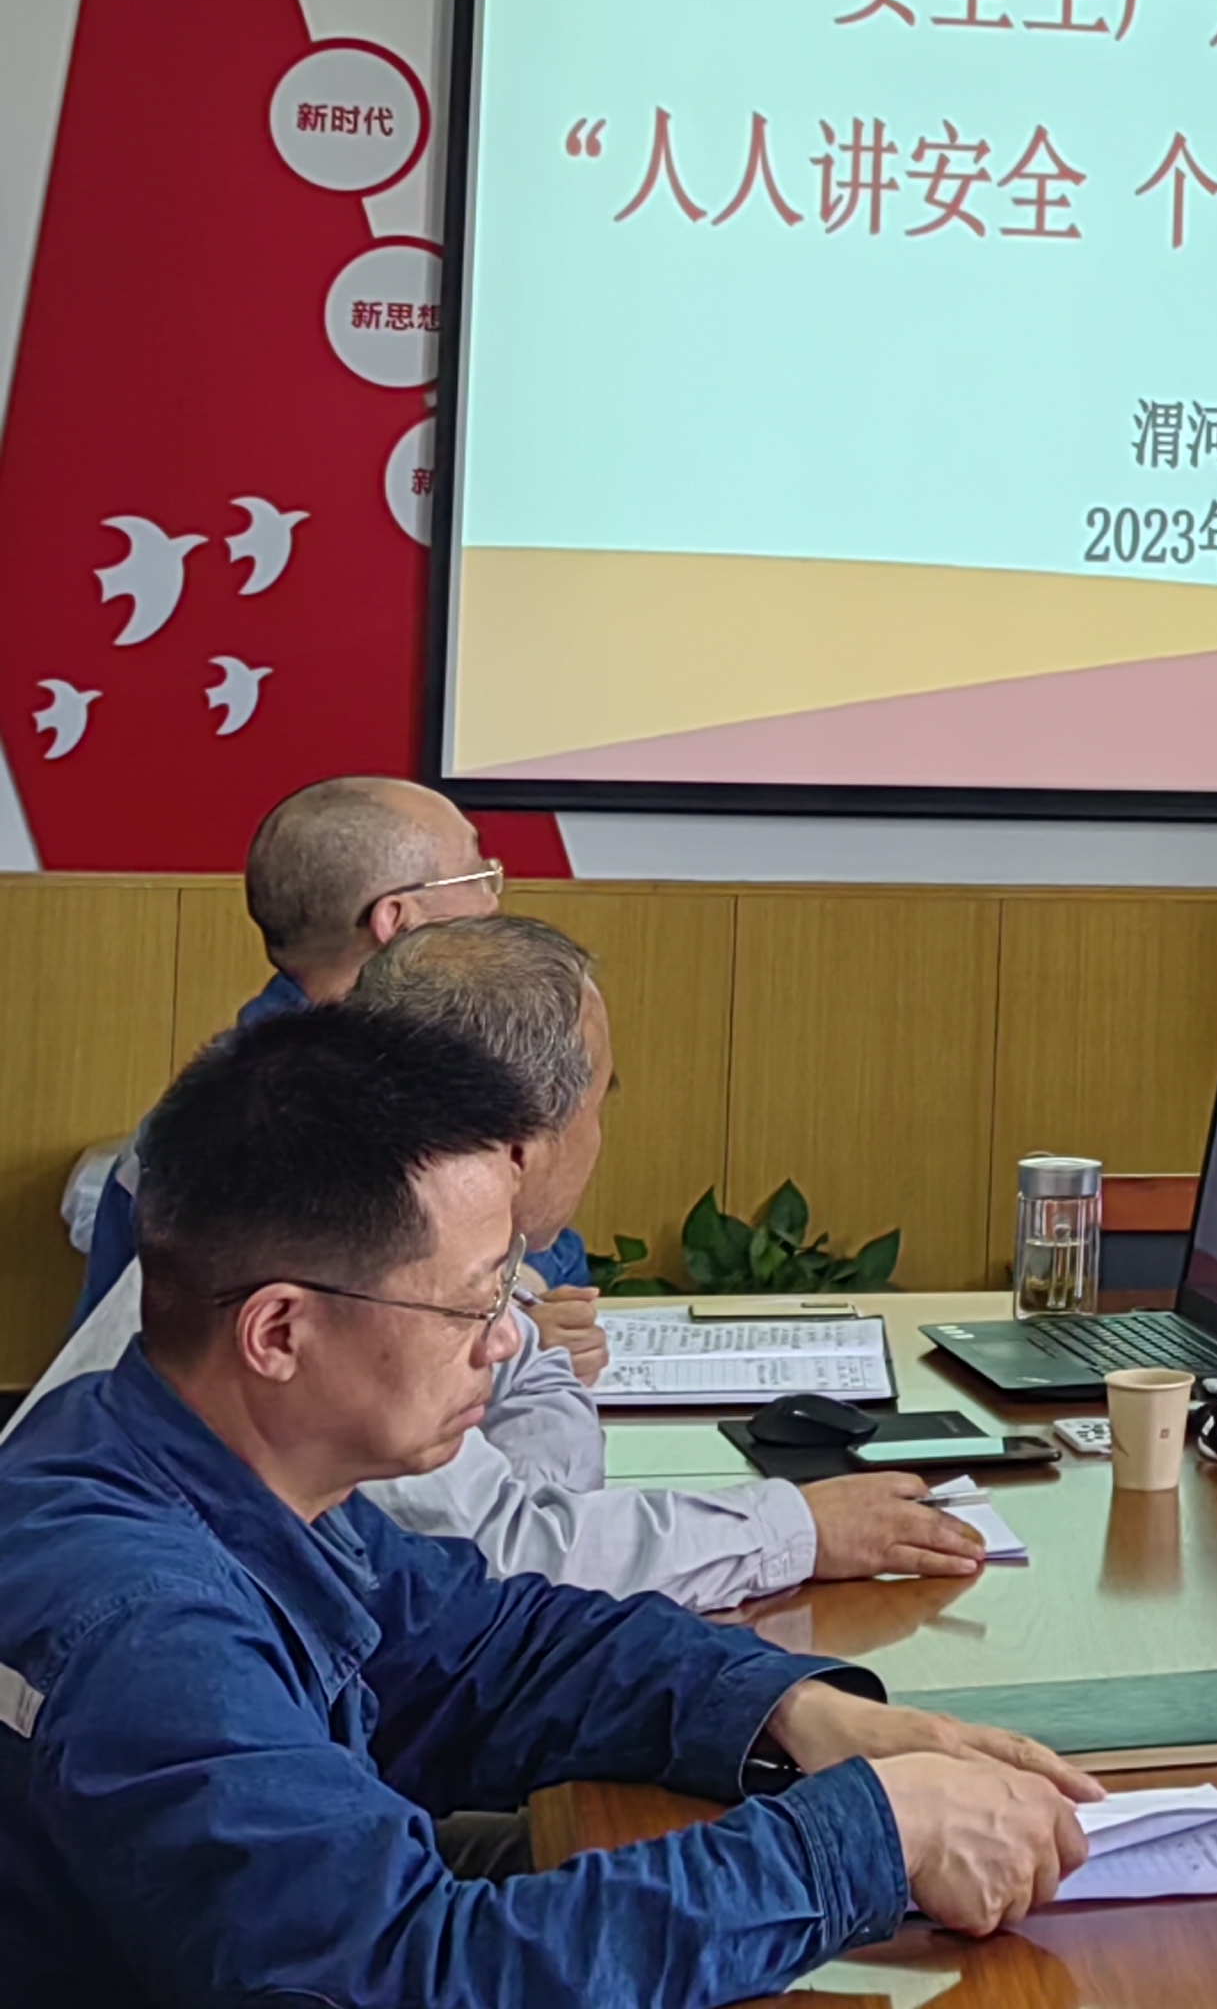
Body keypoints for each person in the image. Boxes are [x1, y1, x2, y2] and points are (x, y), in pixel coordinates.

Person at [0, 1000, 1103, 2001]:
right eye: (472, 1303)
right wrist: (876, 1835)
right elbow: (406, 1976)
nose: (506, 1342)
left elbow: (492, 1649)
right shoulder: (148, 1622)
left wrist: (796, 1715)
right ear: (279, 1331)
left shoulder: (192, 1454)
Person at [12, 917, 990, 1607]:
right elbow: (511, 1558)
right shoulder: (355, 1284)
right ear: (518, 1144)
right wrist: (794, 1533)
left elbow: (505, 1552)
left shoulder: (399, 1239)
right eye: (600, 1101)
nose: (500, 1338)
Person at [75, 775, 588, 1324]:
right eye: (477, 876)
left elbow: (541, 1245)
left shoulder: (271, 1069)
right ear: (397, 919)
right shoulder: (301, 1115)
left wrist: (522, 1291)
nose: (492, 904)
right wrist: (514, 1320)